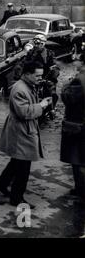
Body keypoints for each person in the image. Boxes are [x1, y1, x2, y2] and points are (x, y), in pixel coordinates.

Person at [0, 60, 52, 208]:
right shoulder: (20, 89)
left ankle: (0, 185)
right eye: (37, 76)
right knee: (23, 166)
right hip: (22, 131)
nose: (40, 78)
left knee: (17, 161)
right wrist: (42, 105)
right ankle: (16, 198)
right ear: (27, 74)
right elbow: (24, 112)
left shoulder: (26, 85)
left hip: (22, 129)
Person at [60, 53, 85, 203]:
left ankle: (81, 190)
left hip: (78, 125)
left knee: (78, 159)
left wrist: (64, 86)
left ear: (82, 62)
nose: (74, 62)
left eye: (76, 59)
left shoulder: (79, 79)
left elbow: (69, 99)